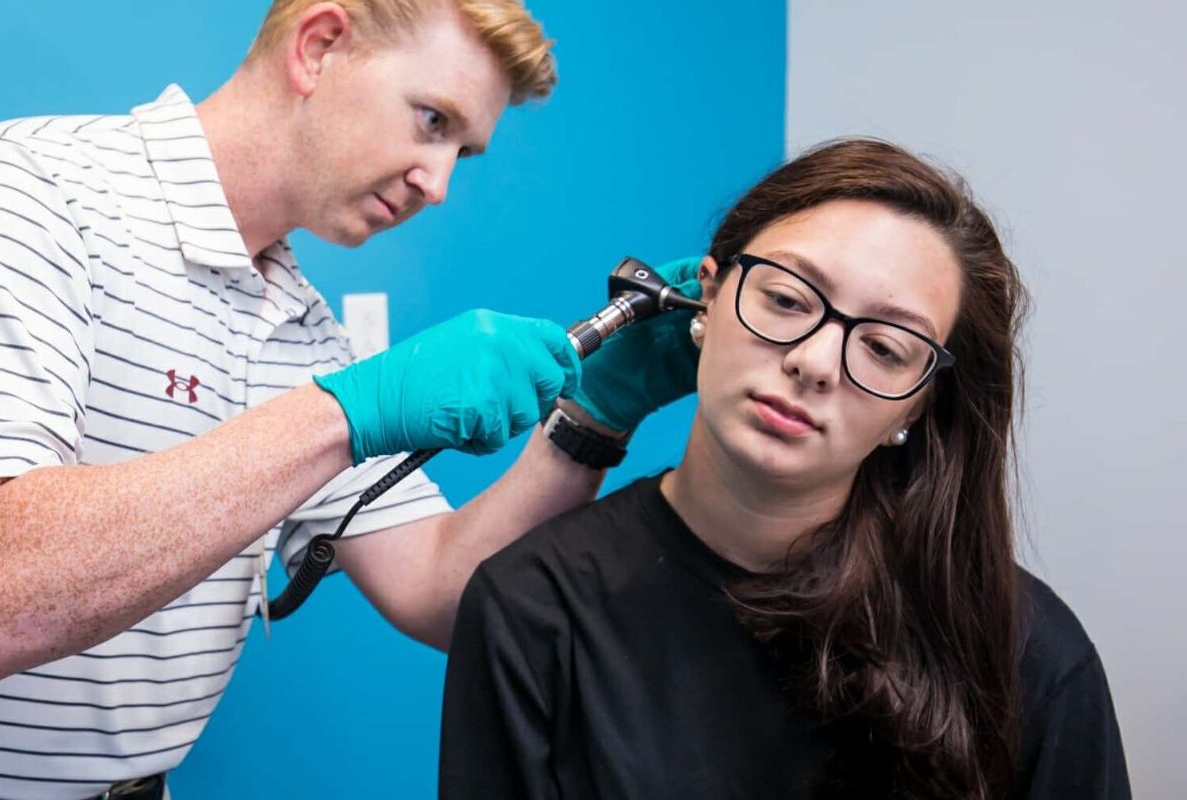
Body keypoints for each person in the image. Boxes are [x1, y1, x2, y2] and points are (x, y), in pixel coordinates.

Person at [0, 2, 700, 798]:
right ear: (319, 46)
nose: (440, 183)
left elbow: (443, 591)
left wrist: (594, 417)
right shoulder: (24, 198)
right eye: (431, 121)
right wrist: (345, 412)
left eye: (465, 151)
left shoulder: (298, 326)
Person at [439, 138, 1132, 799]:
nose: (814, 362)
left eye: (885, 348)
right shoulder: (533, 607)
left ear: (918, 406)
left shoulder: (1023, 651)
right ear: (705, 300)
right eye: (787, 300)